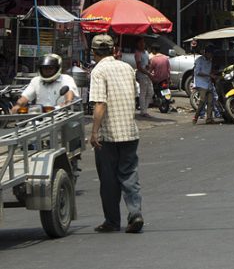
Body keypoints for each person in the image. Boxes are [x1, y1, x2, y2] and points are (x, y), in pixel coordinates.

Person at [87, 34, 144, 234]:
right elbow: (135, 95)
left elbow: (100, 103)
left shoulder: (98, 71)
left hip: (109, 135)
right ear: (113, 51)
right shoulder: (127, 68)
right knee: (129, 175)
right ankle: (135, 213)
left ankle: (112, 221)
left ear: (93, 53)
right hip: (129, 131)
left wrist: (94, 132)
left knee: (109, 179)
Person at [10, 54, 78, 113]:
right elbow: (25, 97)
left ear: (57, 68)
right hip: (39, 117)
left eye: (50, 68)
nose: (47, 70)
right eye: (44, 68)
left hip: (60, 115)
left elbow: (69, 92)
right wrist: (18, 105)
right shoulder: (36, 80)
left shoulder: (66, 79)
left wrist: (67, 102)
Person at [192, 45, 218, 125]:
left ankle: (209, 118)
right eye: (210, 53)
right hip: (201, 83)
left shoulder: (210, 61)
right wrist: (209, 75)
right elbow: (197, 72)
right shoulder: (199, 60)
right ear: (206, 53)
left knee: (211, 101)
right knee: (202, 100)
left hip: (208, 83)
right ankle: (195, 117)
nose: (211, 55)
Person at [134, 38, 152, 118]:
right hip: (142, 75)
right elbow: (139, 67)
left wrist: (149, 67)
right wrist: (147, 72)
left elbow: (148, 62)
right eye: (140, 43)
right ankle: (143, 111)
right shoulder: (138, 53)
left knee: (150, 92)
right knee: (143, 93)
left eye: (143, 43)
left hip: (147, 74)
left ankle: (144, 109)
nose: (142, 44)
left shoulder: (146, 52)